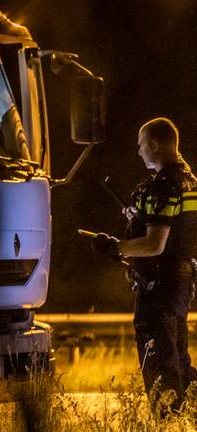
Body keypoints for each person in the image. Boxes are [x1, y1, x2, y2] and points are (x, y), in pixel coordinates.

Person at [92, 117, 197, 414]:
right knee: (178, 359)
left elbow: (155, 244)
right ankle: (186, 419)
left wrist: (116, 246)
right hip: (181, 285)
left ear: (154, 144)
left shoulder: (163, 186)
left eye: (141, 145)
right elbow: (178, 231)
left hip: (159, 289)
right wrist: (138, 218)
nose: (138, 151)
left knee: (160, 365)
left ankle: (168, 421)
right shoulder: (188, 180)